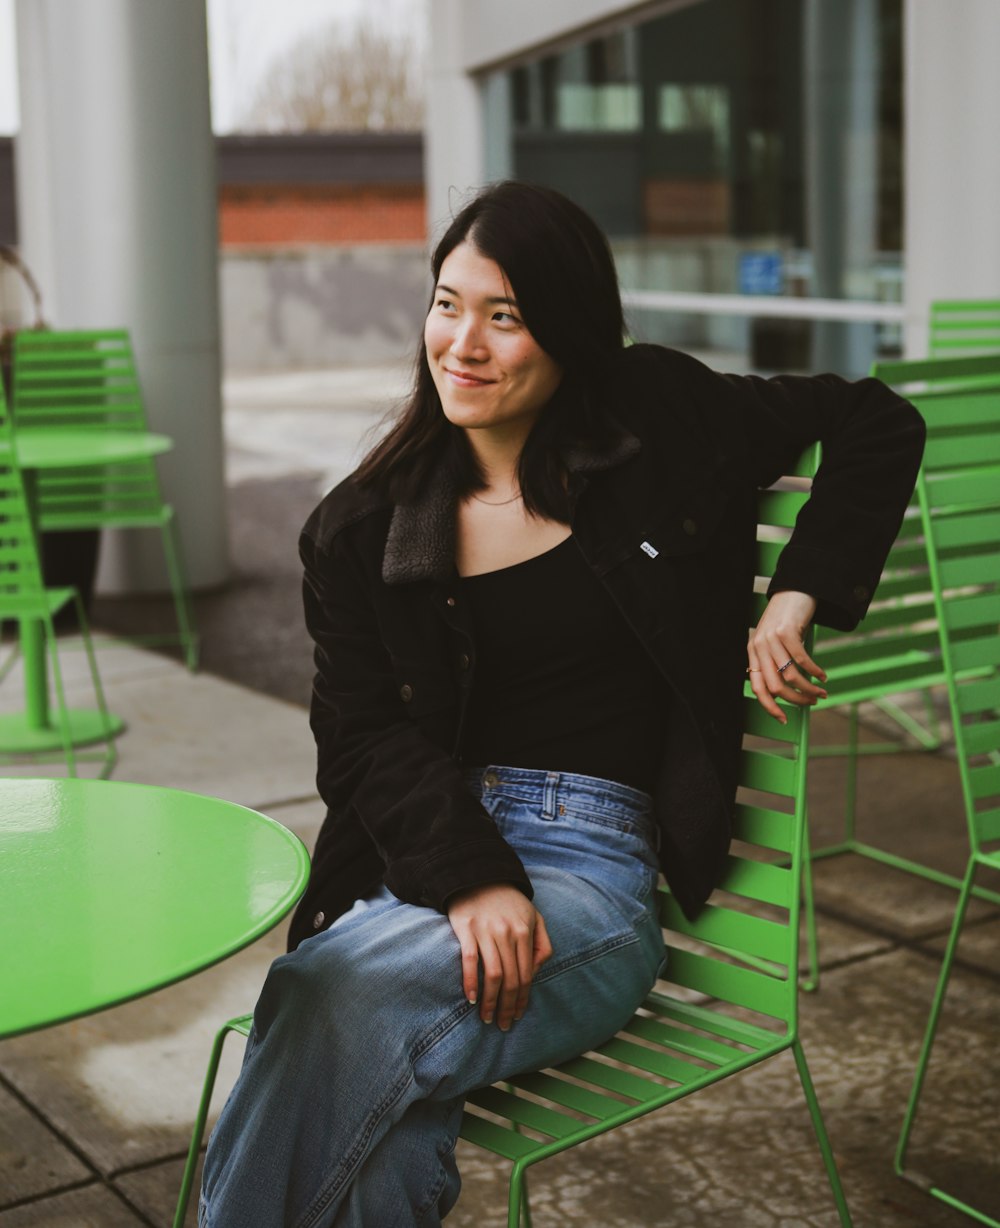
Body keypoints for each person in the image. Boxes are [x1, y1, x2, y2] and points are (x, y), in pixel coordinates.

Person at [199, 180, 925, 1227]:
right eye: (447, 303)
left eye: (506, 316)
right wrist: (470, 877)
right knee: (368, 1088)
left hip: (592, 873)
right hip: (435, 862)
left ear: (572, 333)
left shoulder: (658, 418)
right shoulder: (362, 528)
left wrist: (795, 596)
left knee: (322, 996)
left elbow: (871, 417)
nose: (464, 343)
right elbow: (362, 738)